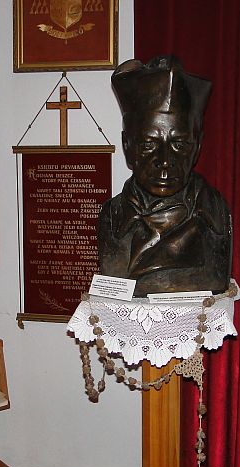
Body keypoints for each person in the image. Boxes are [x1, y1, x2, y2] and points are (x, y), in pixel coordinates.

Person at [97, 55, 232, 297]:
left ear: (197, 147)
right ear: (127, 146)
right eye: (149, 144)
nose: (165, 160)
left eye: (179, 144)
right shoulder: (111, 216)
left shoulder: (216, 215)